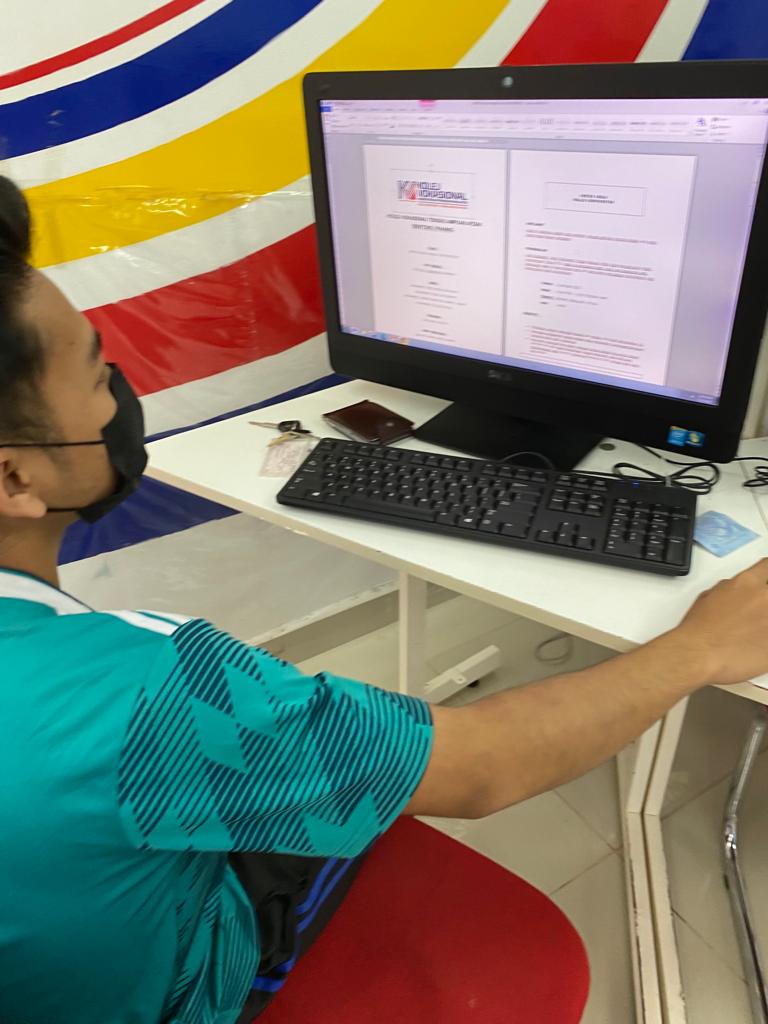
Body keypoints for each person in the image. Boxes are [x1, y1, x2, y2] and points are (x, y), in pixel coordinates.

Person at [2, 171, 768, 1024]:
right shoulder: (143, 691)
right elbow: (481, 769)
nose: (119, 395)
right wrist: (698, 648)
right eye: (98, 375)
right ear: (15, 476)